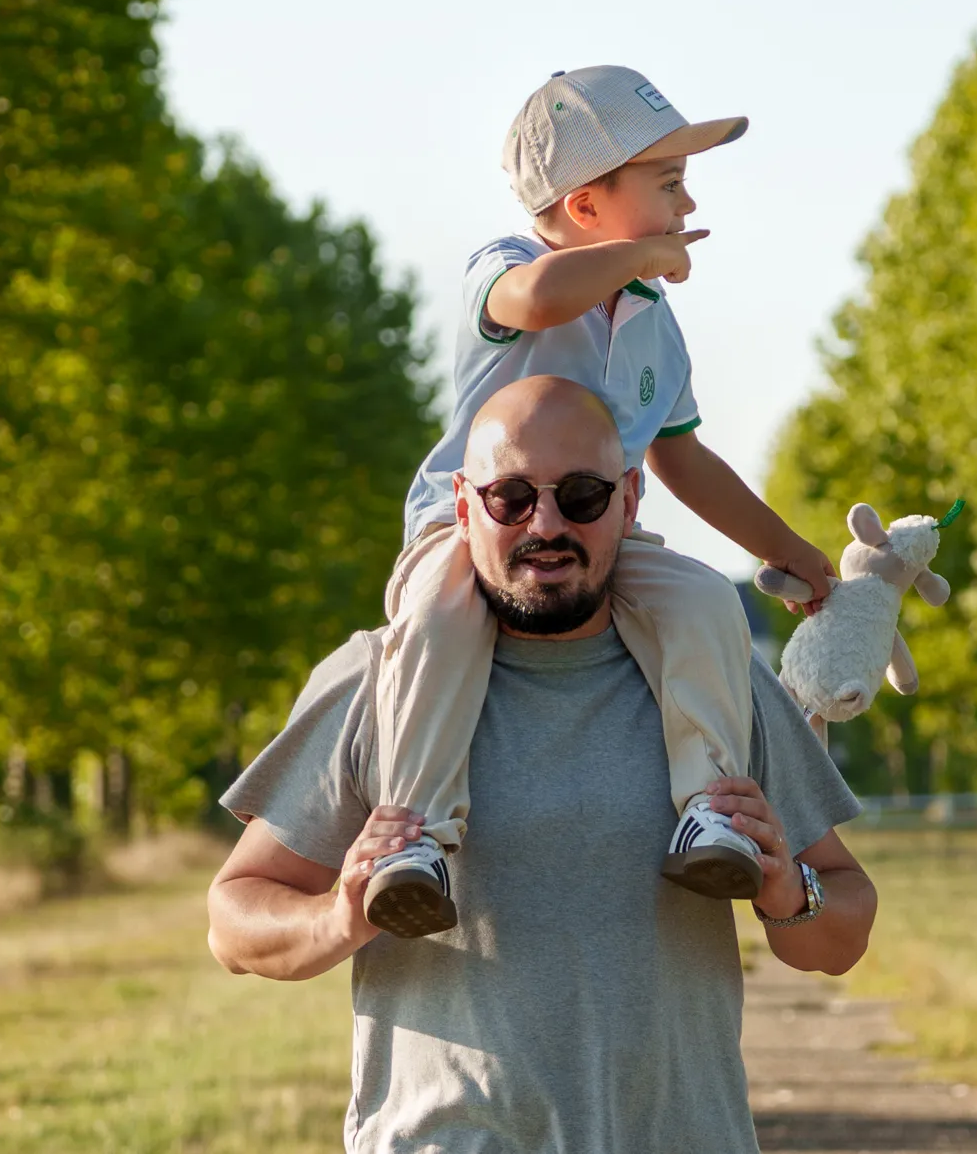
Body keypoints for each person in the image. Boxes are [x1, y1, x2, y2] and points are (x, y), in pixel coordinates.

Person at [207, 376, 873, 1152]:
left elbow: (845, 927)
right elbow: (234, 919)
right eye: (511, 496)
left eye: (582, 494)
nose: (547, 523)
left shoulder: (720, 680)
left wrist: (790, 893)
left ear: (629, 499)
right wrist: (339, 916)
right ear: (461, 505)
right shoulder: (377, 681)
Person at [369, 66, 839, 935]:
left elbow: (684, 456)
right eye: (667, 183)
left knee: (704, 604)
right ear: (586, 207)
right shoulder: (508, 268)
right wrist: (643, 257)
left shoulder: (653, 319)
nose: (685, 201)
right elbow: (539, 299)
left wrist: (789, 550)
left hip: (601, 535)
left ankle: (710, 810)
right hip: (477, 527)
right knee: (439, 620)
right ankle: (418, 838)